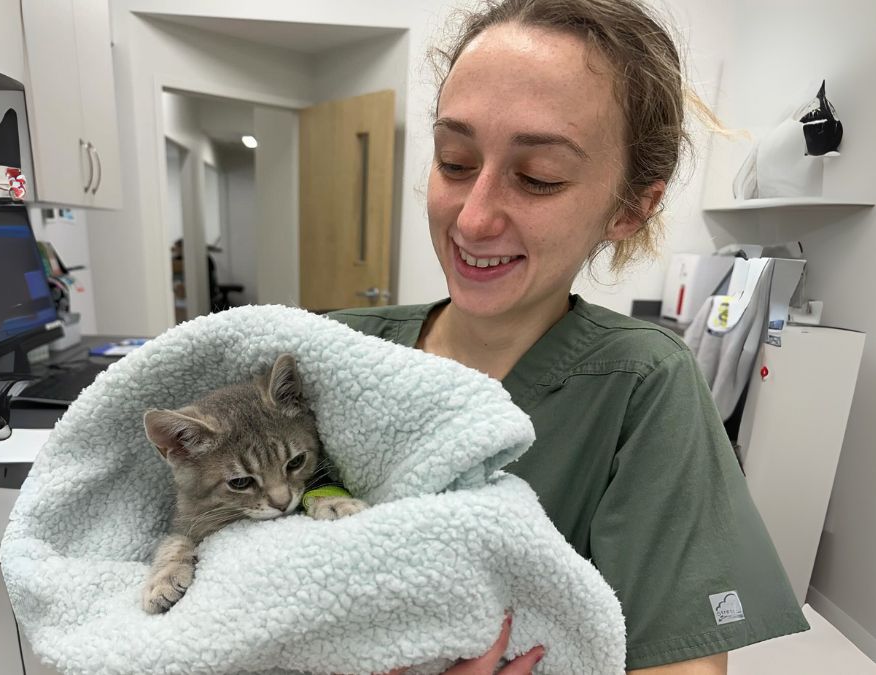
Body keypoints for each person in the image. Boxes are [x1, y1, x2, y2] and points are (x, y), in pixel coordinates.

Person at [331, 0, 808, 672]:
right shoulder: (335, 353)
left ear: (630, 207)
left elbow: (686, 660)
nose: (472, 219)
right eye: (455, 161)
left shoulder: (639, 386)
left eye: (538, 178)